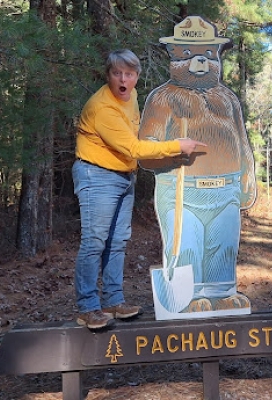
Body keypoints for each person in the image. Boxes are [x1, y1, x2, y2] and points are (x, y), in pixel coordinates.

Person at [72, 49, 206, 330]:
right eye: (117, 73)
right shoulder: (102, 108)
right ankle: (88, 307)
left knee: (117, 241)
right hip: (97, 175)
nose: (123, 79)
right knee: (95, 241)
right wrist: (176, 145)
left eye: (129, 74)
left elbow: (136, 135)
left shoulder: (130, 96)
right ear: (108, 75)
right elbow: (133, 147)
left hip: (122, 174)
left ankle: (113, 301)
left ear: (136, 77)